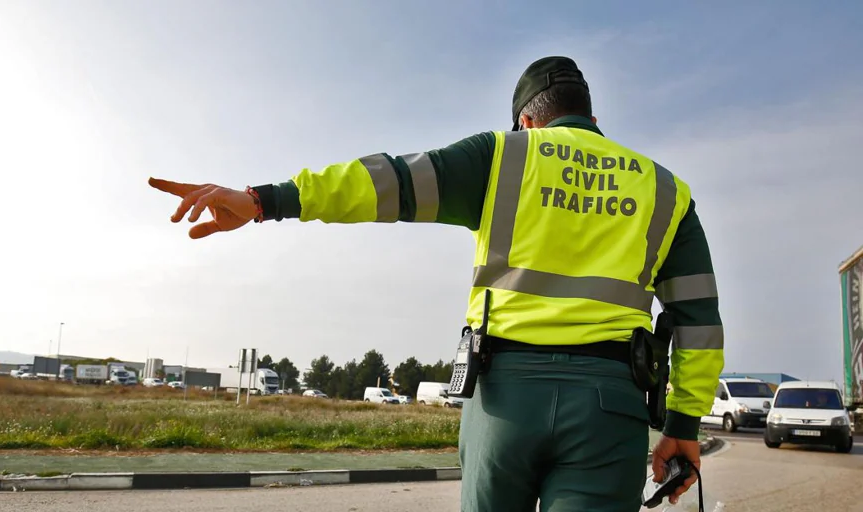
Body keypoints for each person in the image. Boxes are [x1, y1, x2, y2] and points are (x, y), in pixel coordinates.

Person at [149, 56, 724, 511]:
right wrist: (683, 425)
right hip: (611, 404)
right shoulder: (666, 190)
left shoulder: (503, 157)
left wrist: (264, 201)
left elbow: (385, 183)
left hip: (505, 398)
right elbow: (698, 319)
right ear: (593, 120)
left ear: (526, 121)